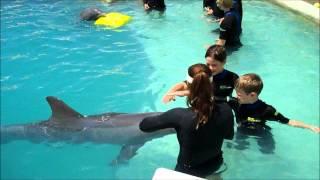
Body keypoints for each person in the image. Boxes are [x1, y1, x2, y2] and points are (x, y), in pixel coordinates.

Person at [140, 63, 234, 178]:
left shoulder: (179, 116)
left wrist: (169, 117)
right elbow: (229, 135)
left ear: (188, 86)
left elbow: (144, 126)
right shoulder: (226, 110)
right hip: (215, 164)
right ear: (211, 84)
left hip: (188, 171)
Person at [229, 73, 320, 136]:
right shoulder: (235, 103)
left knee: (268, 151)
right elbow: (215, 100)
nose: (236, 96)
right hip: (241, 131)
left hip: (261, 133)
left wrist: (310, 127)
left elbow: (287, 121)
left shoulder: (267, 110)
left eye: (239, 94)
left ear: (252, 95)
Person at [162, 45, 238, 104]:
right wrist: (170, 93)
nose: (210, 68)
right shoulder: (202, 73)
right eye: (207, 64)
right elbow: (184, 84)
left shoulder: (232, 77)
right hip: (202, 108)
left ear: (224, 62)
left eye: (214, 65)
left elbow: (242, 95)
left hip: (222, 110)